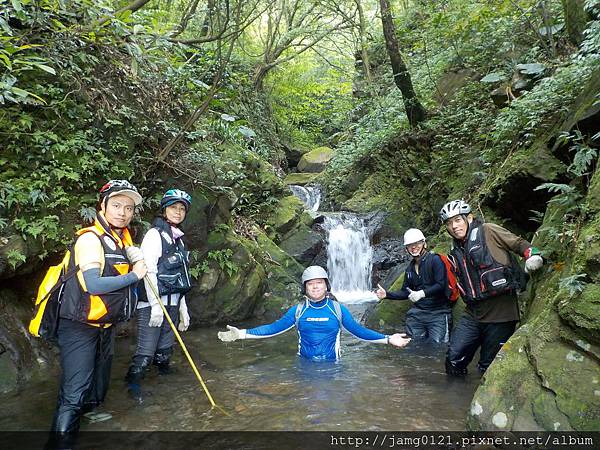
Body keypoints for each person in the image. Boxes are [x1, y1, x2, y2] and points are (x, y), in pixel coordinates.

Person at [49, 180, 146, 438]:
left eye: (128, 208)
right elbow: (93, 284)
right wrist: (135, 275)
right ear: (102, 206)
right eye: (116, 205)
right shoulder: (90, 240)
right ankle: (61, 441)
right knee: (74, 391)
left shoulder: (120, 240)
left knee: (98, 384)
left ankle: (89, 417)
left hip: (104, 324)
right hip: (78, 325)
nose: (122, 212)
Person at [439, 199, 544, 375]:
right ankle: (453, 398)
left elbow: (518, 243)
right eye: (449, 223)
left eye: (458, 220)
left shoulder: (488, 230)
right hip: (473, 312)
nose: (454, 226)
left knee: (488, 367)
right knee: (453, 359)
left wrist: (532, 255)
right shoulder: (455, 249)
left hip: (501, 312)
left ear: (469, 218)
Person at [217, 266, 411, 360]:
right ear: (305, 288)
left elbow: (358, 331)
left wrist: (387, 339)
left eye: (319, 282)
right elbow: (273, 328)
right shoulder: (298, 311)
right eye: (311, 283)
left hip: (333, 369)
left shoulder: (337, 309)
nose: (315, 286)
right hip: (304, 367)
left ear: (326, 286)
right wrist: (241, 333)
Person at [125, 189, 193, 402]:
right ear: (165, 209)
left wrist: (183, 309)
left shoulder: (179, 240)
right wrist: (155, 306)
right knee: (145, 353)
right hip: (153, 305)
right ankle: (132, 386)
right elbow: (149, 270)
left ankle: (164, 385)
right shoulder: (154, 235)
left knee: (164, 352)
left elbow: (181, 277)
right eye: (174, 207)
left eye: (182, 209)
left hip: (173, 303)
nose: (178, 212)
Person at [375, 228, 453, 343]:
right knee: (412, 344)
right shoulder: (409, 269)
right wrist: (387, 294)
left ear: (424, 244)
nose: (414, 247)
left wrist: (422, 293)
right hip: (418, 313)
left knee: (438, 347)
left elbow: (441, 285)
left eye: (417, 243)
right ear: (407, 248)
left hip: (439, 312)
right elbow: (405, 292)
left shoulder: (435, 260)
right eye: (410, 245)